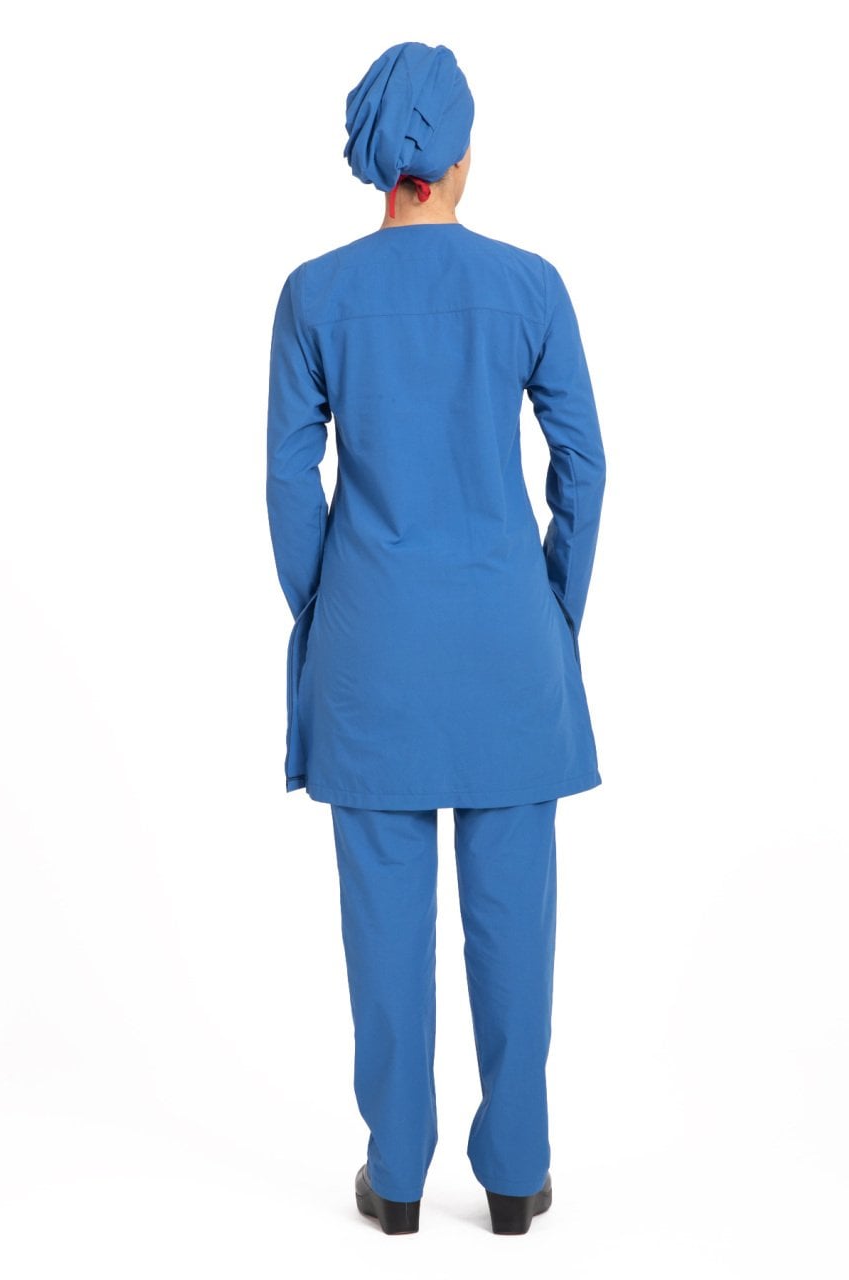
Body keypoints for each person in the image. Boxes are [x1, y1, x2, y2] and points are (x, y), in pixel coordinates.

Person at [266, 40, 606, 1235]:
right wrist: (551, 603)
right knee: (514, 920)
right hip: (508, 645)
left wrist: (325, 609)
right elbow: (583, 463)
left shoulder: (313, 295)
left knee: (383, 923)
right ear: (460, 156)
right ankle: (515, 1174)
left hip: (373, 649)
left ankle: (398, 1174)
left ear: (375, 160)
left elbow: (288, 480)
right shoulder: (530, 285)